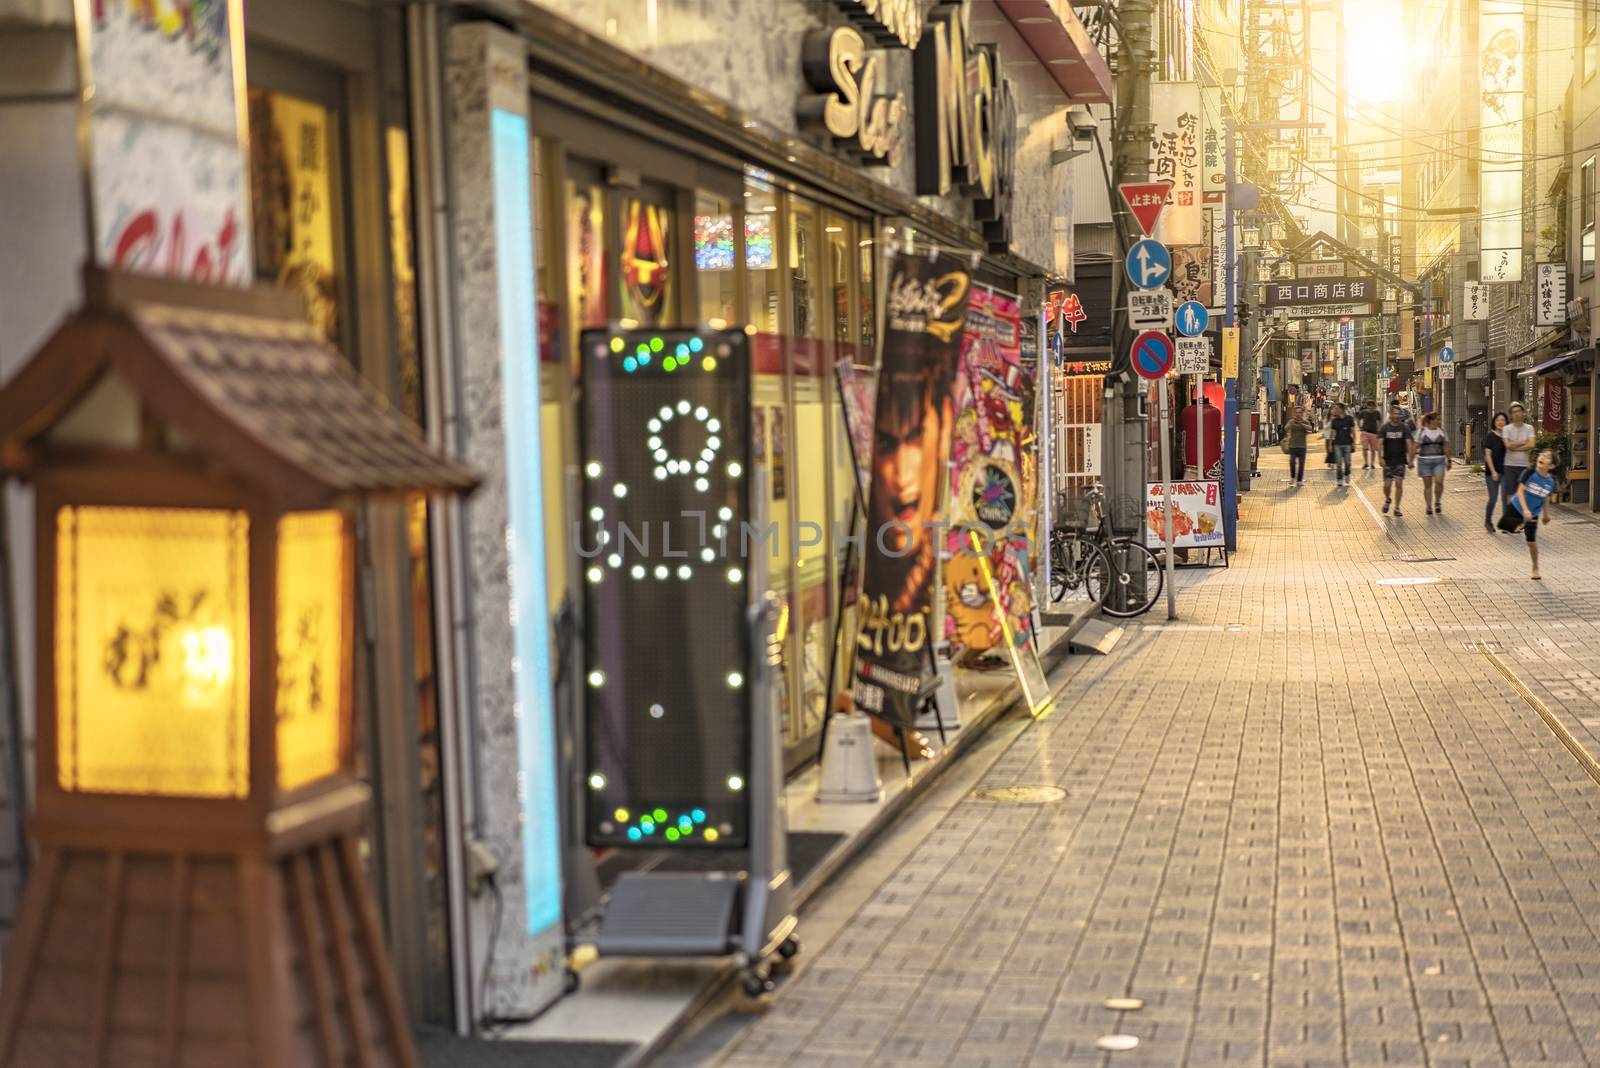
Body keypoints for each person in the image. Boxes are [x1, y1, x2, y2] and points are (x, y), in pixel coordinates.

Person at [1497, 447, 1559, 580]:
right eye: (1542, 454)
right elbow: (1519, 492)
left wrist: (1546, 515)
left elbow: (1546, 497)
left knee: (1531, 541)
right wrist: (1525, 510)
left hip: (1533, 513)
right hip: (1517, 506)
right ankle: (1520, 524)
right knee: (1502, 526)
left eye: (1547, 457)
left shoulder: (1550, 482)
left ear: (1552, 465)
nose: (1542, 457)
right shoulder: (1529, 472)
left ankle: (1535, 568)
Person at [1500, 401, 1536, 507]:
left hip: (1524, 466)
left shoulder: (1529, 428)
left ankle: (1521, 515)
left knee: (1523, 493)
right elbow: (1507, 445)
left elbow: (1532, 444)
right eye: (1514, 412)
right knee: (1510, 493)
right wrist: (1524, 442)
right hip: (1509, 466)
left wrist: (1514, 445)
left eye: (1519, 411)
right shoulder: (1506, 429)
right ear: (1511, 414)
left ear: (1523, 412)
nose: (1517, 413)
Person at [1380, 406, 1414, 516]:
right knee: (1387, 485)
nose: (1396, 416)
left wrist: (1410, 460)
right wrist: (1380, 458)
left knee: (1399, 484)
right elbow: (1379, 443)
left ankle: (1397, 507)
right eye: (1394, 414)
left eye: (1398, 414)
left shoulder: (1404, 428)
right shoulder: (1385, 428)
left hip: (1400, 460)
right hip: (1388, 461)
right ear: (1390, 414)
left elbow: (1409, 443)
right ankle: (1388, 499)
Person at [1415, 412, 1450, 515]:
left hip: (1439, 460)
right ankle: (1429, 506)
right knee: (1428, 485)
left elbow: (1446, 446)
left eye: (1439, 419)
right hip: (1424, 461)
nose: (1438, 421)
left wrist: (1449, 460)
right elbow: (1415, 445)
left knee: (1439, 482)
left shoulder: (1442, 432)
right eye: (1437, 419)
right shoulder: (1422, 432)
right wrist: (1410, 458)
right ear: (1430, 421)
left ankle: (1437, 502)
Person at [1482, 410, 1508, 532]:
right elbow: (1488, 455)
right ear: (1494, 422)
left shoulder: (1508, 436)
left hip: (1505, 472)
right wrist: (1493, 472)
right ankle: (1488, 521)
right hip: (1491, 473)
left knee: (1505, 498)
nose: (1500, 422)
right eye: (1498, 420)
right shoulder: (1490, 436)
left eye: (1503, 420)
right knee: (1493, 498)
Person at [1328, 403, 1355, 486]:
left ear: (1341, 409)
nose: (1334, 410)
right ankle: (1339, 479)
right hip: (1337, 444)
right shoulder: (1334, 420)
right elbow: (1332, 433)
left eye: (1336, 408)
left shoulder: (1349, 419)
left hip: (1347, 443)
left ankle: (1347, 474)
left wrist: (1354, 443)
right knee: (1338, 463)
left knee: (1347, 462)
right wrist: (1329, 445)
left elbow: (1353, 432)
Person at [1284, 409, 1309, 484]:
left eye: (1300, 412)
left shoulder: (1305, 422)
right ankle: (1292, 478)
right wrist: (1292, 423)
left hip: (1302, 446)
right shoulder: (1291, 421)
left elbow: (1310, 429)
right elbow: (1286, 428)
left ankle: (1299, 480)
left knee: (1301, 464)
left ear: (1302, 414)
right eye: (1297, 412)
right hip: (1292, 446)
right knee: (1292, 462)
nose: (1298, 414)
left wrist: (1302, 424)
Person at [1358, 403, 1381, 468]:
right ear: (1367, 406)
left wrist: (1379, 430)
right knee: (1364, 448)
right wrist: (1360, 427)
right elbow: (1358, 419)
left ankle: (1372, 463)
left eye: (1372, 406)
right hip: (1365, 432)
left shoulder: (1377, 413)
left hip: (1374, 433)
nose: (1371, 407)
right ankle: (1366, 463)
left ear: (1374, 406)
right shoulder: (1363, 412)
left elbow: (1379, 421)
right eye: (1369, 405)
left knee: (1373, 450)